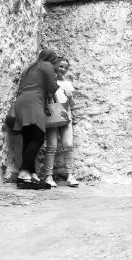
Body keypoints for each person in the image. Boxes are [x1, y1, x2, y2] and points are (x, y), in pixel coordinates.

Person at [14, 49, 60, 189]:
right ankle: (23, 173)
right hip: (34, 102)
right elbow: (52, 87)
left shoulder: (31, 67)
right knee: (38, 137)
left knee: (28, 139)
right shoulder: (47, 65)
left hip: (21, 102)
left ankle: (31, 173)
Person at [43, 57, 79, 187]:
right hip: (52, 114)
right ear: (55, 66)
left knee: (68, 145)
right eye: (61, 66)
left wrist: (70, 97)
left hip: (65, 114)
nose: (63, 69)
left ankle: (70, 175)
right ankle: (48, 177)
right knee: (51, 146)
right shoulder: (49, 81)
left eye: (66, 67)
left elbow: (72, 104)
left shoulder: (68, 84)